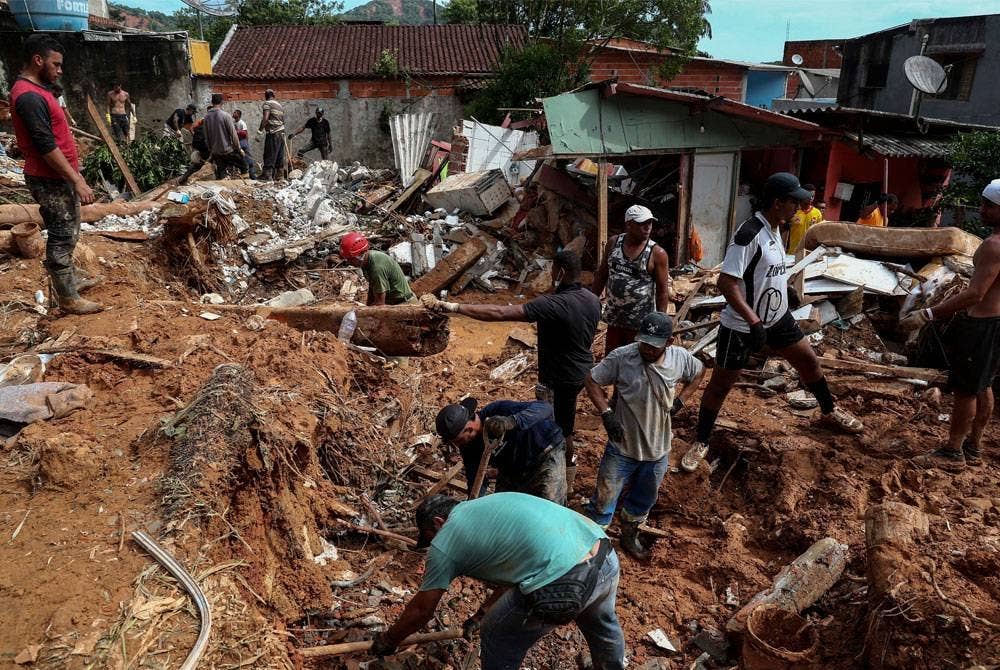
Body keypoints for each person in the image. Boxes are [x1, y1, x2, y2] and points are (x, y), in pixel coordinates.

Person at [682, 173, 864, 472]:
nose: (799, 206)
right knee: (720, 387)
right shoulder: (749, 234)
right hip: (742, 326)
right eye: (794, 201)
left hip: (778, 319)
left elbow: (766, 272)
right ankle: (701, 439)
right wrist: (753, 321)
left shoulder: (778, 229)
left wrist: (784, 289)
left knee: (809, 364)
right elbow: (727, 283)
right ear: (777, 202)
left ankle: (829, 411)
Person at [371, 493, 625, 670]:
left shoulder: (446, 540)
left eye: (430, 536)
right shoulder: (487, 508)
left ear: (438, 523)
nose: (433, 544)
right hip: (602, 554)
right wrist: (479, 614)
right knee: (600, 622)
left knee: (496, 633)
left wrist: (389, 640)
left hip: (565, 583)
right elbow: (516, 572)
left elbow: (421, 610)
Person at [421, 249, 601, 492]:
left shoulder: (553, 304)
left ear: (559, 271)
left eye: (552, 271)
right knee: (564, 422)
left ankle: (561, 480)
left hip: (558, 376)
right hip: (582, 371)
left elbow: (500, 312)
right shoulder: (591, 299)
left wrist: (452, 306)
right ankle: (566, 475)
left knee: (556, 425)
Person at [584, 312, 704, 559]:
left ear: (669, 342)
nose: (647, 349)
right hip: (622, 447)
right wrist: (606, 413)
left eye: (654, 345)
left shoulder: (680, 358)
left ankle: (630, 535)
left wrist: (681, 401)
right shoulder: (622, 357)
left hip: (658, 449)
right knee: (604, 498)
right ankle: (593, 543)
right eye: (644, 342)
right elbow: (592, 380)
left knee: (644, 498)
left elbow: (699, 373)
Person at [902, 179, 1000, 470]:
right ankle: (973, 446)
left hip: (982, 325)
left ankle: (952, 452)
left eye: (989, 206)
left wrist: (929, 314)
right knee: (984, 385)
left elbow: (975, 293)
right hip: (995, 324)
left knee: (966, 391)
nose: (981, 210)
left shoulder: (994, 246)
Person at [11, 35, 100, 314]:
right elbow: (46, 145)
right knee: (62, 234)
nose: (60, 70)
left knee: (70, 228)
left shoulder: (39, 91)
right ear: (38, 60)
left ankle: (70, 280)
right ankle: (67, 298)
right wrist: (77, 179)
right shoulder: (28, 96)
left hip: (58, 176)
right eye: (56, 64)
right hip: (49, 178)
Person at [434, 397, 567, 504]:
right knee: (502, 506)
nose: (458, 445)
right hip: (513, 468)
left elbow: (545, 408)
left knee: (551, 506)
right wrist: (473, 504)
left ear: (469, 429)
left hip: (545, 451)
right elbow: (476, 479)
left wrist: (511, 421)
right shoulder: (468, 446)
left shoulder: (498, 409)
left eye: (458, 440)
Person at [592, 204, 671, 355]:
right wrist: (591, 302)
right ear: (629, 224)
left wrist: (661, 323)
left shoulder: (656, 253)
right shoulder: (614, 243)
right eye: (642, 223)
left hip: (640, 323)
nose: (647, 227)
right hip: (614, 318)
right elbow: (602, 274)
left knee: (634, 361)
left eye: (650, 223)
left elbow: (662, 291)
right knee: (612, 358)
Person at [338, 231, 416, 305]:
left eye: (350, 259)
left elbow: (380, 304)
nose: (348, 262)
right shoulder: (366, 261)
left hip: (404, 304)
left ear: (360, 256)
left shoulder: (377, 267)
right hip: (393, 301)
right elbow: (373, 288)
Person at [202, 93, 244, 180]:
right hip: (227, 150)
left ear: (212, 102)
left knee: (222, 172)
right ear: (222, 102)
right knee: (245, 165)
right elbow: (233, 134)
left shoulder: (206, 117)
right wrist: (239, 149)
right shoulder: (225, 115)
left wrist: (211, 149)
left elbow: (206, 135)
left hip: (216, 151)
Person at [785, 183, 823, 252]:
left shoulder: (817, 213)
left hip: (808, 253)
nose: (811, 198)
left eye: (813, 196)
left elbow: (819, 234)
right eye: (808, 196)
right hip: (793, 252)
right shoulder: (794, 211)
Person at [258, 89, 286, 180]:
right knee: (279, 154)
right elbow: (283, 121)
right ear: (274, 95)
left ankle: (267, 175)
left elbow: (265, 119)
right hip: (281, 133)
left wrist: (259, 131)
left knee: (269, 153)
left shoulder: (267, 104)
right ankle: (280, 176)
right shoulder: (280, 106)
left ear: (266, 96)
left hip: (273, 133)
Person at [232, 109, 259, 179]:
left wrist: (237, 132)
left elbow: (245, 133)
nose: (233, 113)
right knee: (240, 158)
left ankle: (252, 176)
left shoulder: (242, 123)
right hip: (237, 142)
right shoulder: (234, 122)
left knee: (248, 158)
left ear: (238, 115)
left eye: (235, 112)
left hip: (242, 142)